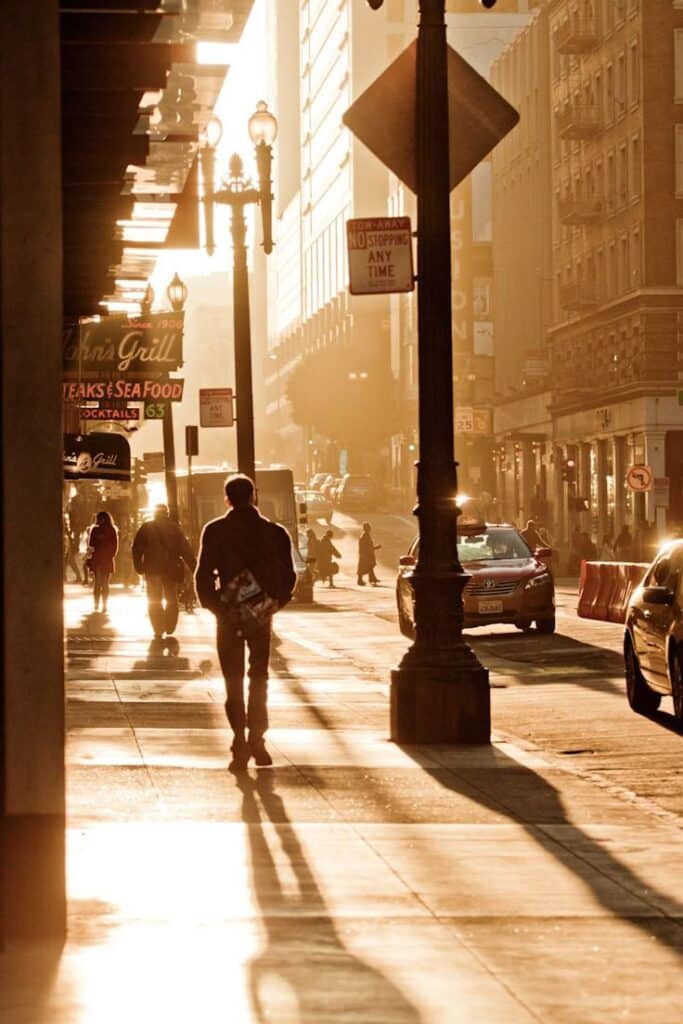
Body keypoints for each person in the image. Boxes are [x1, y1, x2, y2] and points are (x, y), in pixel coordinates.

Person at [195, 474, 296, 772]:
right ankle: (258, 737)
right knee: (259, 676)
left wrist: (216, 607)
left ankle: (238, 739)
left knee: (233, 680)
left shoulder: (214, 530)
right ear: (254, 496)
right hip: (260, 613)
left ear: (227, 498)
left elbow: (202, 576)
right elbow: (289, 577)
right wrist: (272, 605)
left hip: (228, 613)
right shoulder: (275, 533)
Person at [132, 504, 195, 639]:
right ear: (166, 513)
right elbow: (186, 550)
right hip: (171, 568)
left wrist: (138, 566)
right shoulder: (175, 528)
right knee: (171, 597)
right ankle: (170, 625)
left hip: (152, 568)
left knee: (154, 599)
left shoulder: (146, 527)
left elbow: (137, 548)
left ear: (154, 513)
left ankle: (158, 628)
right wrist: (195, 567)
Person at [87, 510, 118, 613]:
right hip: (108, 560)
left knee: (98, 583)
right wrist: (110, 555)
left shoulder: (95, 530)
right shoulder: (112, 530)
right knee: (105, 583)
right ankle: (104, 605)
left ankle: (96, 604)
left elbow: (91, 544)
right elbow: (115, 546)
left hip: (97, 559)